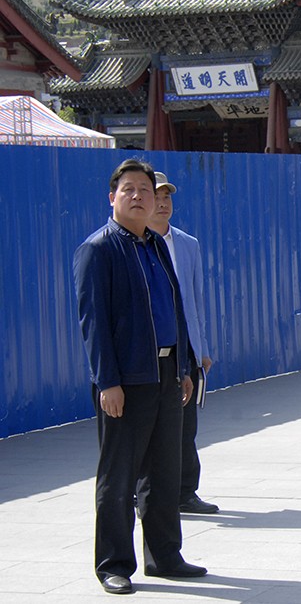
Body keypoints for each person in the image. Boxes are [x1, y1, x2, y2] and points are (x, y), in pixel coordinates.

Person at [73, 159, 207, 595]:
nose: (137, 196)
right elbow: (94, 323)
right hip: (126, 381)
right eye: (128, 189)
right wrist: (107, 382)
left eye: (144, 190)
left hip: (167, 374)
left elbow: (176, 310)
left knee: (164, 472)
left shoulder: (156, 246)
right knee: (119, 476)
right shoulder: (99, 250)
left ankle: (165, 556)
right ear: (112, 198)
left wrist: (183, 367)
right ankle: (113, 564)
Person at [148, 171, 217, 514]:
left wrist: (200, 348)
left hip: (184, 347)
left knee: (186, 423)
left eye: (167, 198)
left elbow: (195, 299)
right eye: (157, 197)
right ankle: (143, 490)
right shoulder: (133, 245)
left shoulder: (187, 244)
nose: (163, 204)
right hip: (148, 348)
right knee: (148, 424)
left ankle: (185, 492)